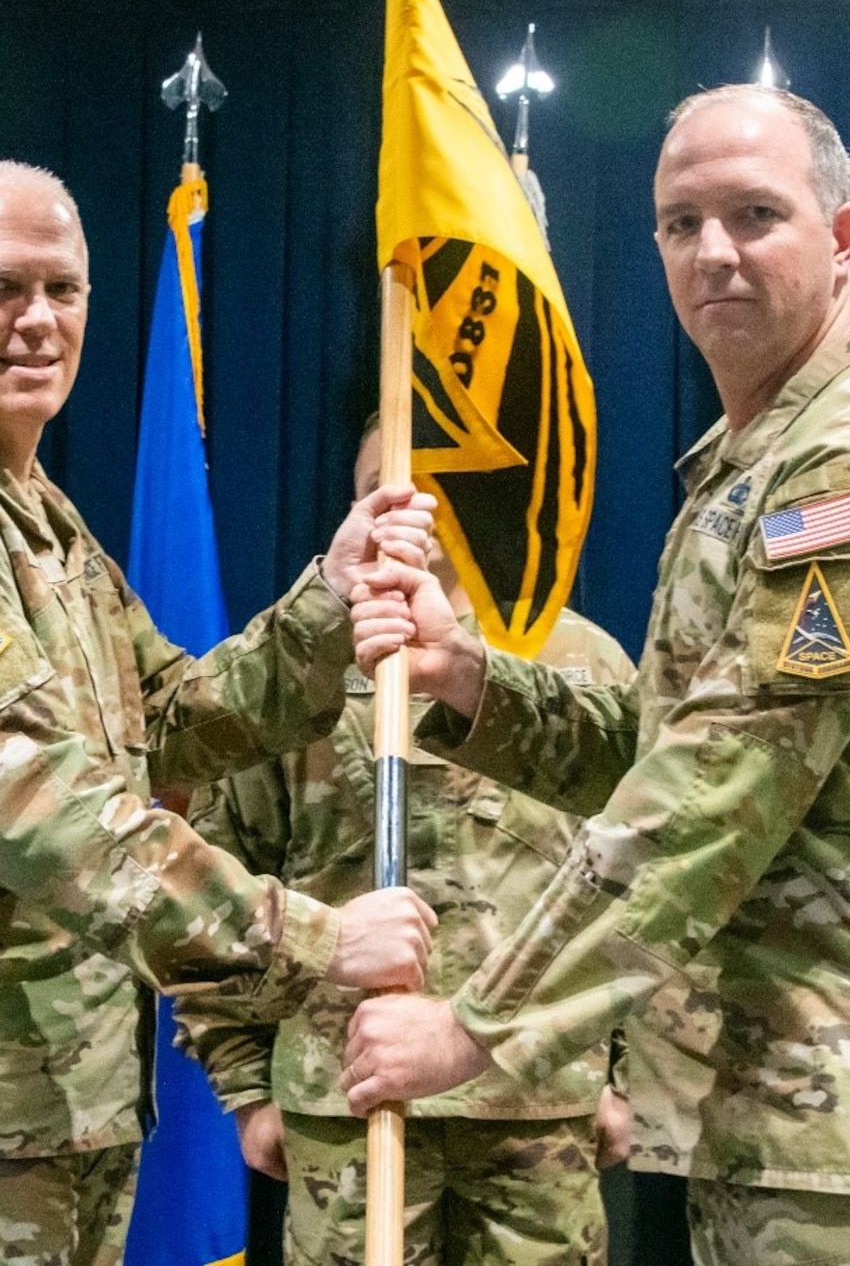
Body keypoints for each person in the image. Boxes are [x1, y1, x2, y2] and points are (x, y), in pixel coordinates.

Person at [342, 87, 850, 1266]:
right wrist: (470, 679)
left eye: (754, 214)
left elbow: (717, 794)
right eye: (680, 223)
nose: (712, 252)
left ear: (842, 236)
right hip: (778, 1110)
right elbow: (670, 741)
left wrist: (475, 1025)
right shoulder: (753, 461)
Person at [0, 160, 439, 1266]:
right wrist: (316, 939)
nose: (38, 321)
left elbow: (169, 719)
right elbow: (39, 810)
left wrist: (329, 596)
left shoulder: (37, 516)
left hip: (41, 1117)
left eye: (63, 290)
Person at [174, 419, 640, 1266]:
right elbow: (214, 883)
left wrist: (624, 1078)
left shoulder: (583, 663)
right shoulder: (294, 672)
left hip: (536, 1102)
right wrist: (245, 1087)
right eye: (380, 489)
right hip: (347, 1105)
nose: (407, 509)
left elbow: (646, 882)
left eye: (433, 487)